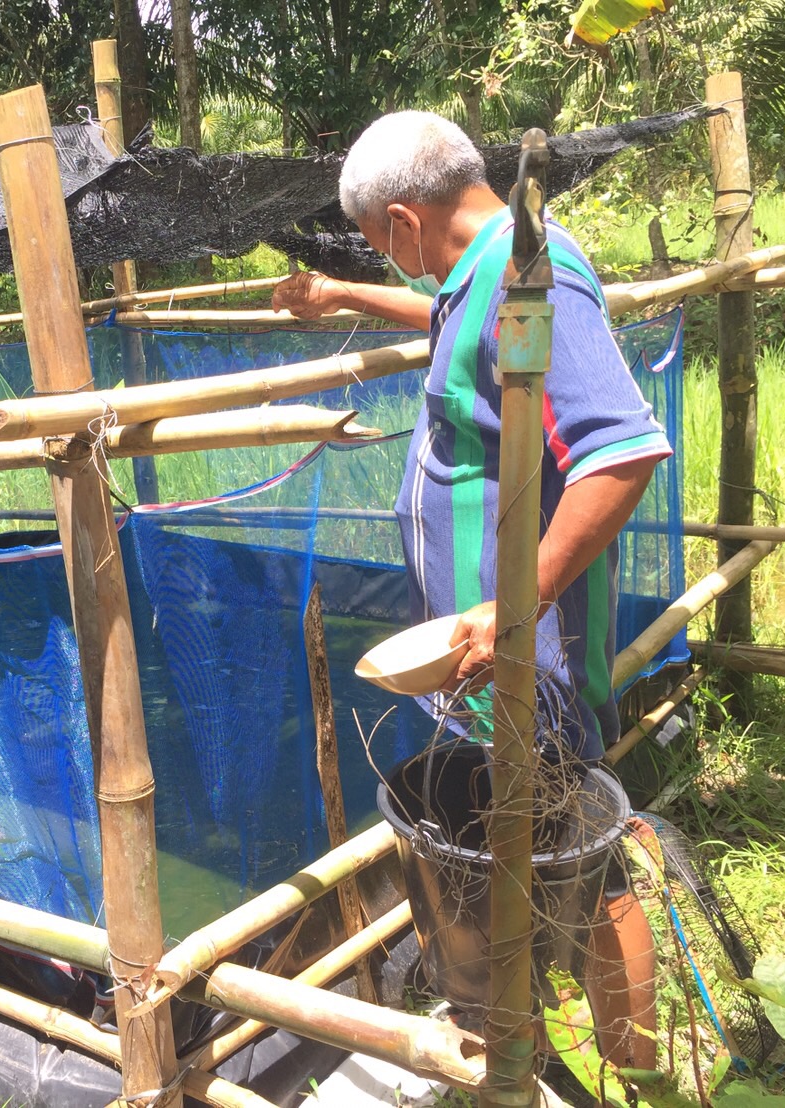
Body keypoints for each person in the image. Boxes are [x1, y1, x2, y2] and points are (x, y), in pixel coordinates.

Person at [278, 110, 668, 1070]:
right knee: (525, 838)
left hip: (523, 647)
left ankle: (633, 1060)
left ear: (407, 222)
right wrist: (344, 293)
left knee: (587, 855)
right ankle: (520, 1046)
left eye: (380, 244)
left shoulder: (538, 275)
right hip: (490, 653)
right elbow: (458, 316)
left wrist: (510, 605)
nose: (391, 259)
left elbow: (621, 454)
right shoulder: (486, 271)